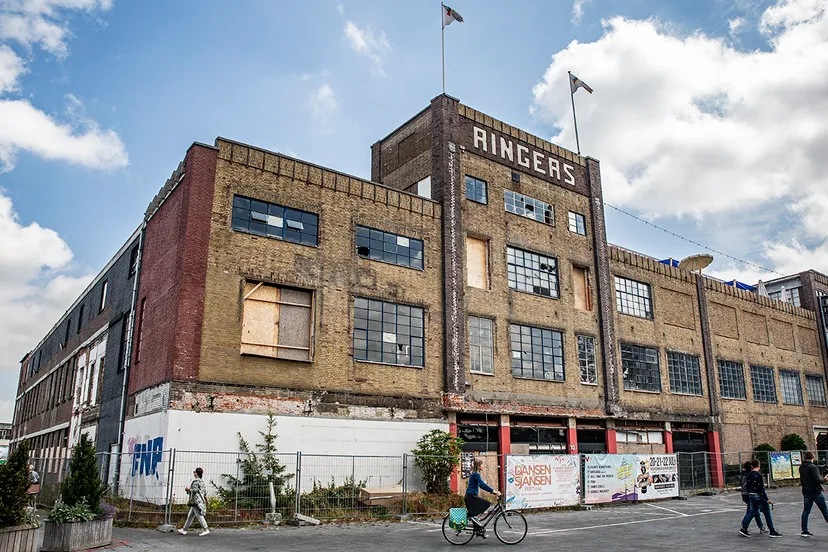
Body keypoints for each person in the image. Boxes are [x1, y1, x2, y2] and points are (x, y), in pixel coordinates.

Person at [740, 459, 781, 538]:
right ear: (759, 466)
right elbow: (761, 488)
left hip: (751, 495)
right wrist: (766, 498)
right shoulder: (758, 475)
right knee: (767, 512)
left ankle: (744, 526)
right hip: (758, 495)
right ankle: (772, 530)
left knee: (752, 511)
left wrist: (750, 492)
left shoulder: (749, 474)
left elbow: (747, 486)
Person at [465, 458, 501, 535]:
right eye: (482, 465)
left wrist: (492, 492)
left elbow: (481, 486)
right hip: (471, 497)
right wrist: (493, 491)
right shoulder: (476, 474)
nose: (483, 466)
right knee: (487, 504)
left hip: (471, 496)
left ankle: (478, 528)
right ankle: (475, 523)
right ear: (478, 466)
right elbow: (482, 485)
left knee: (476, 512)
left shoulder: (475, 474)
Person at [800, 451, 828, 537]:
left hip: (806, 491)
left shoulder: (801, 467)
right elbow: (817, 480)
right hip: (815, 492)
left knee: (806, 511)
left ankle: (804, 530)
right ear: (812, 457)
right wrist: (825, 479)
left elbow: (809, 480)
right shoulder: (813, 467)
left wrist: (819, 486)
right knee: (824, 510)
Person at [178, 468, 210, 536]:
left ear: (196, 473)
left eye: (194, 472)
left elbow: (195, 490)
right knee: (190, 516)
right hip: (200, 501)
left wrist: (188, 489)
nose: (194, 473)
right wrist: (206, 500)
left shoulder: (195, 481)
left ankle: (206, 529)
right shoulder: (201, 481)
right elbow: (204, 492)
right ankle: (184, 530)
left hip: (196, 501)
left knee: (199, 516)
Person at [740, 461, 766, 534]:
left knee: (755, 511)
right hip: (749, 494)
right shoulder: (749, 475)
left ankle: (761, 527)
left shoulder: (743, 474)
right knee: (752, 511)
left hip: (744, 493)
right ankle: (744, 525)